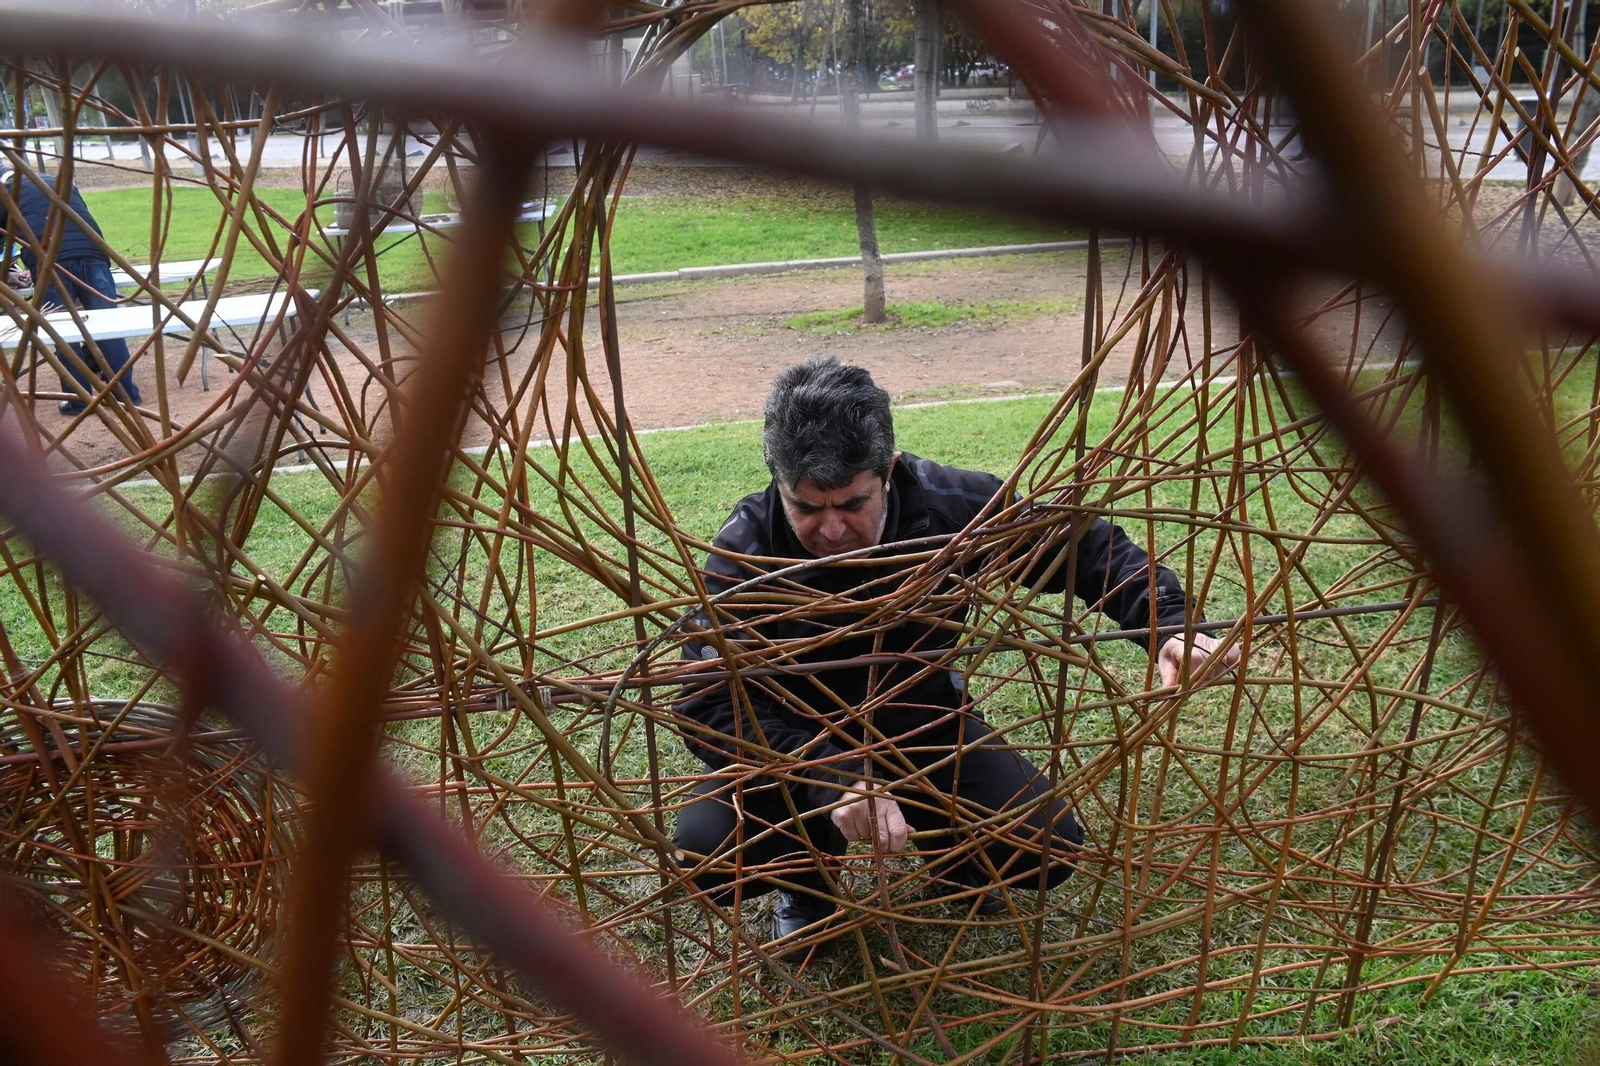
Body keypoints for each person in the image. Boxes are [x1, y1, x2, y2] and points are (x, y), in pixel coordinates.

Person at [672, 358, 1239, 956]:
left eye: (852, 503)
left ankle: (953, 853)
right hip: (796, 745)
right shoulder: (746, 552)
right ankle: (809, 886)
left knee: (1042, 848)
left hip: (924, 722)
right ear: (777, 481)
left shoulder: (948, 506)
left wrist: (1170, 627)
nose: (832, 529)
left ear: (888, 471)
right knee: (707, 852)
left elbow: (1087, 549)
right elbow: (705, 700)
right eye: (807, 508)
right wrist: (832, 778)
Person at [0, 163, 142, 414]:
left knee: (62, 331)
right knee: (107, 326)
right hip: (94, 253)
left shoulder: (5, 191)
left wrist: (7, 274)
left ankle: (79, 399)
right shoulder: (58, 182)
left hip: (50, 261)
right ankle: (125, 394)